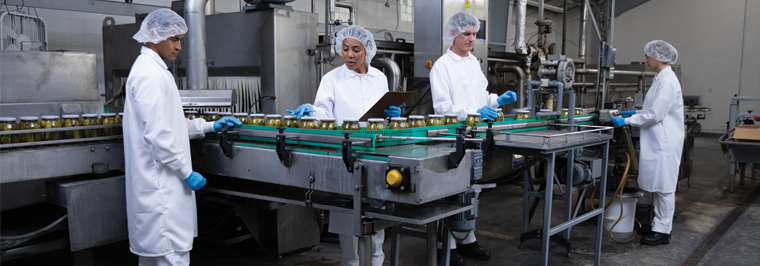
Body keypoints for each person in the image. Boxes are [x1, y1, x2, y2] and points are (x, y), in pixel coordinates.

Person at [123, 9, 242, 266]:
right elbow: (158, 135)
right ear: (154, 36)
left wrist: (210, 125)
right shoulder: (149, 75)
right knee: (171, 257)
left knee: (156, 258)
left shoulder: (154, 70)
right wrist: (185, 171)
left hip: (159, 187)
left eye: (180, 40)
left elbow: (170, 125)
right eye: (174, 39)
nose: (178, 46)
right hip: (161, 188)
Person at [287, 25, 398, 266]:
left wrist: (392, 115)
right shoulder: (332, 78)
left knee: (376, 215)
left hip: (375, 151)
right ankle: (350, 262)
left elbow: (382, 115)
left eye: (356, 50)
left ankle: (376, 262)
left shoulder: (379, 77)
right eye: (345, 49)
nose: (349, 55)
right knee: (348, 217)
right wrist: (312, 111)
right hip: (346, 155)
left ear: (367, 51)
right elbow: (324, 112)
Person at [429, 12, 516, 266]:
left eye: (474, 34)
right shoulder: (441, 67)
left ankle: (467, 238)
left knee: (473, 190)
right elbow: (443, 107)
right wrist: (475, 112)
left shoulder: (473, 63)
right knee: (451, 192)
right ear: (454, 34)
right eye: (466, 34)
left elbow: (482, 96)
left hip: (478, 136)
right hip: (455, 137)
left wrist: (496, 100)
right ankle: (448, 243)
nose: (472, 39)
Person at [613, 40, 684, 246]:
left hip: (664, 142)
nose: (646, 60)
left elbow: (655, 115)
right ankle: (656, 224)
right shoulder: (661, 79)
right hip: (657, 140)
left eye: (648, 56)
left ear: (658, 57)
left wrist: (626, 120)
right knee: (657, 184)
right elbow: (651, 108)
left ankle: (663, 231)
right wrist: (635, 112)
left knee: (665, 188)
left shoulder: (668, 81)